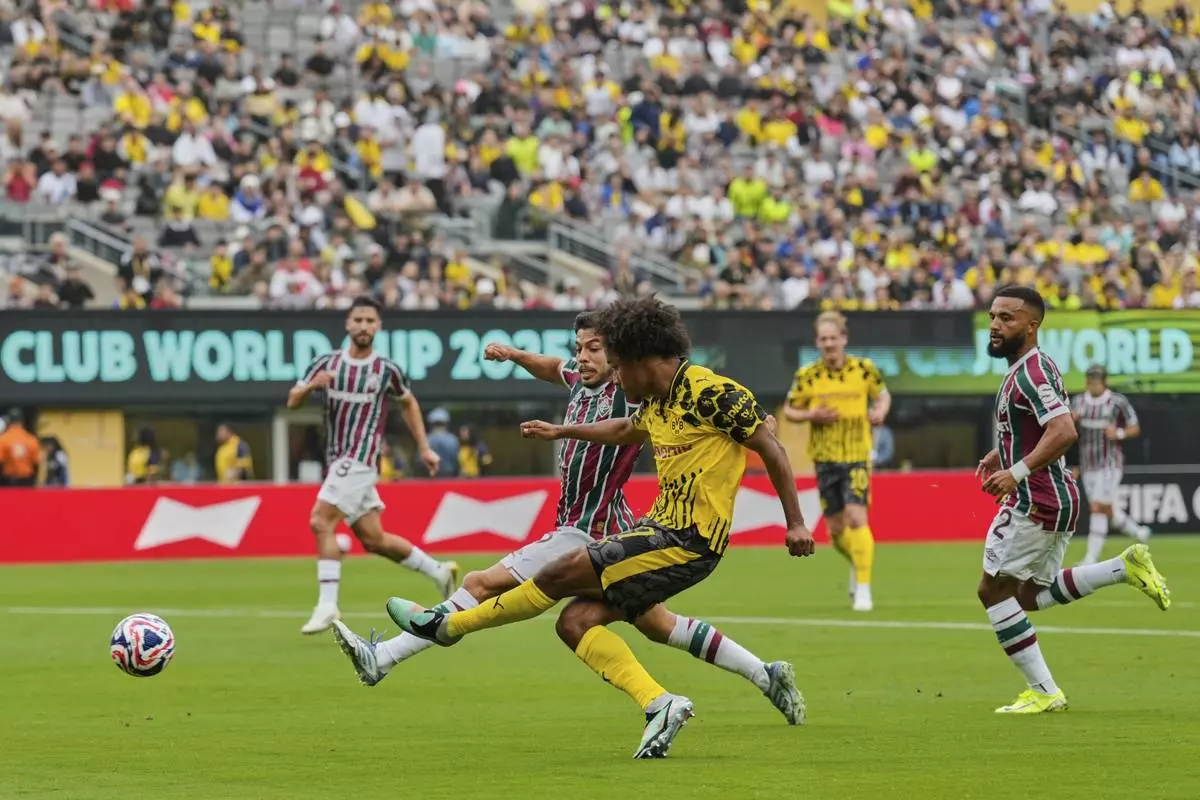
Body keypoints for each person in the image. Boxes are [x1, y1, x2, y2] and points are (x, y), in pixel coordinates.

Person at [386, 297, 815, 759]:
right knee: (576, 622)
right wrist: (561, 432)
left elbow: (771, 448)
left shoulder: (713, 394)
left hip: (688, 542)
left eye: (617, 365)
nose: (614, 377)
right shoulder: (657, 401)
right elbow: (623, 430)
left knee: (558, 573)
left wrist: (795, 524)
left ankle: (447, 627)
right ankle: (680, 699)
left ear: (637, 359)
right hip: (656, 531)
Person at [975, 286, 1169, 715]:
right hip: (1055, 496)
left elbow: (1064, 431)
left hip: (1036, 498)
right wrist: (1003, 452)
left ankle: (1044, 690)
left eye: (1007, 318)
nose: (995, 325)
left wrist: (1016, 471)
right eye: (992, 316)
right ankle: (1123, 567)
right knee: (1028, 596)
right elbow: (1040, 426)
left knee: (993, 591)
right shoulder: (1028, 368)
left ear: (1032, 324)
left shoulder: (1032, 372)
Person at [288, 296, 458, 635]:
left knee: (321, 520)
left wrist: (424, 447)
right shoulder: (326, 363)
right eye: (359, 320)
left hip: (361, 460)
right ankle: (439, 571)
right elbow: (292, 401)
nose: (364, 326)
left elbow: (409, 403)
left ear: (378, 327)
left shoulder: (387, 370)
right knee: (374, 539)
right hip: (338, 460)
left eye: (370, 321)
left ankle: (327, 605)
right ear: (348, 324)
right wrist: (310, 387)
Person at [783, 311, 890, 612]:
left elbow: (882, 396)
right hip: (825, 457)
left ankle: (865, 590)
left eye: (834, 338)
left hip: (857, 454)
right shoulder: (808, 375)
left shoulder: (864, 370)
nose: (829, 344)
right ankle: (858, 564)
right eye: (823, 339)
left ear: (844, 338)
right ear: (817, 341)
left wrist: (880, 411)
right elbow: (791, 409)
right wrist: (811, 415)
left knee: (857, 517)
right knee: (836, 531)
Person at [1071, 364, 1151, 564]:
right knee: (1106, 509)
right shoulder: (1078, 402)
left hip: (1110, 463)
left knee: (1098, 506)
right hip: (1087, 464)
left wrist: (1119, 433)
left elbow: (1135, 427)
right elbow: (1067, 433)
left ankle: (1091, 557)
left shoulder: (1117, 402)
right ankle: (1139, 532)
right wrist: (1072, 421)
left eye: (1096, 380)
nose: (1092, 384)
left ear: (1104, 382)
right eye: (1089, 380)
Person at [0, 409, 41, 487]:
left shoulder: (3, 439)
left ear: (9, 422)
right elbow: (36, 462)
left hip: (8, 480)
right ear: (22, 422)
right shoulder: (31, 439)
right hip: (26, 481)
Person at [424, 408, 459, 477]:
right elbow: (456, 459)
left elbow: (420, 460)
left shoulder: (427, 439)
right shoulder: (452, 439)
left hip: (431, 475)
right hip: (450, 474)